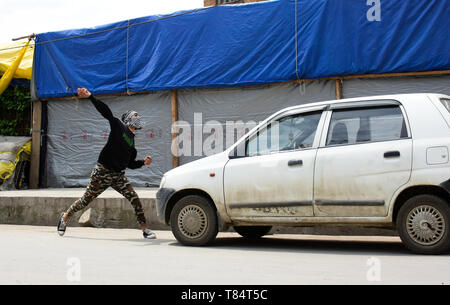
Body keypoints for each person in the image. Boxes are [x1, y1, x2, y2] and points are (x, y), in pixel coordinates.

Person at [57, 88, 156, 239]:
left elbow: (130, 164)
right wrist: (91, 97)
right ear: (128, 119)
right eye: (135, 116)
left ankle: (145, 229)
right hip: (102, 172)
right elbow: (106, 112)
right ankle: (64, 218)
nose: (138, 118)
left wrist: (144, 162)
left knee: (134, 198)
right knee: (85, 200)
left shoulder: (132, 144)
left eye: (138, 117)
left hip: (118, 176)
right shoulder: (118, 126)